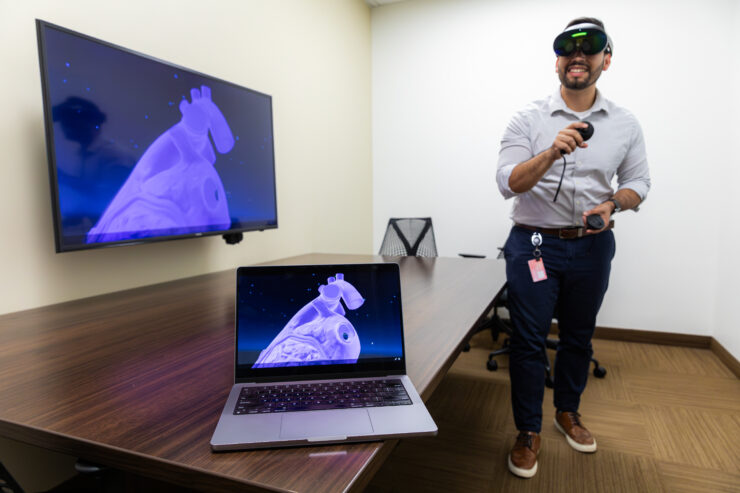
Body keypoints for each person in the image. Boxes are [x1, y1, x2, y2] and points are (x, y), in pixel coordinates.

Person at [495, 17, 651, 479]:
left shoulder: (625, 124)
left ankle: (568, 412)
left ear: (607, 59)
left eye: (591, 47)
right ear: (557, 61)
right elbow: (507, 183)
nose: (578, 55)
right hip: (535, 243)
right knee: (526, 341)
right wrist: (549, 153)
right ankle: (527, 430)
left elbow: (640, 182)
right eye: (568, 48)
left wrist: (613, 203)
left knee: (579, 337)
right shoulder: (528, 118)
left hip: (592, 245)